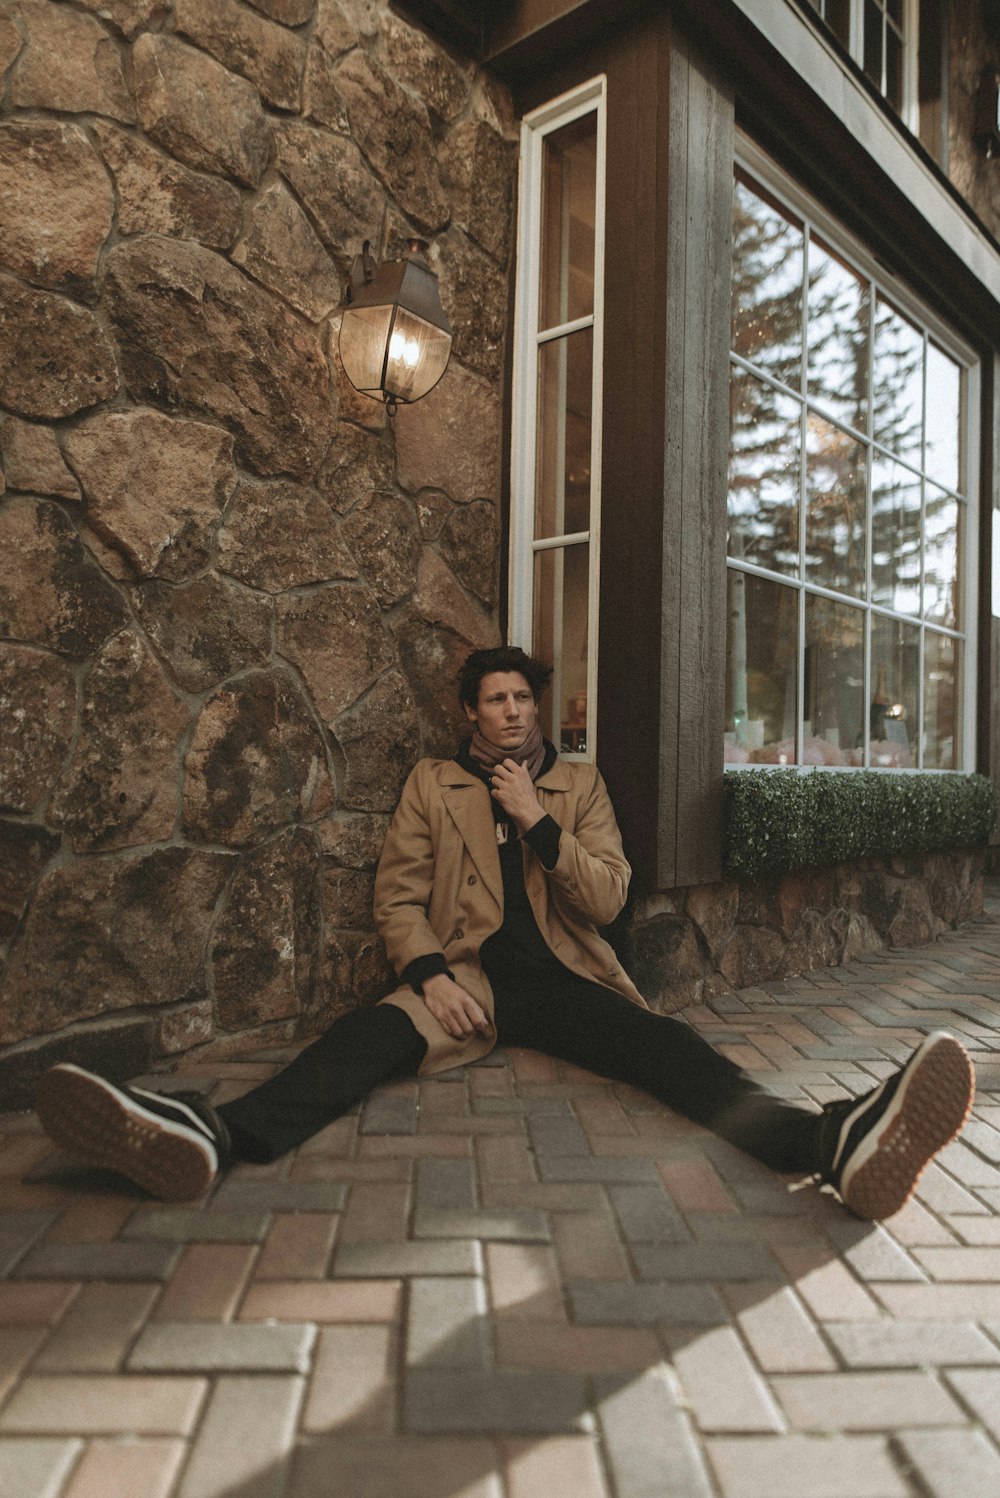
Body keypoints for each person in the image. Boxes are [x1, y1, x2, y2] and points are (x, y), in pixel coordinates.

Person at [36, 646, 975, 1219]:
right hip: (468, 982)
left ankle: (828, 1145)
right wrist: (431, 972)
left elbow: (606, 900)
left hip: (565, 980)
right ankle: (208, 1136)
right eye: (496, 699)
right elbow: (398, 899)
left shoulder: (579, 785)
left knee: (671, 1052)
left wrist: (536, 818)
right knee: (360, 1042)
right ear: (471, 714)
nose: (514, 711)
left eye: (525, 698)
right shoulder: (430, 787)